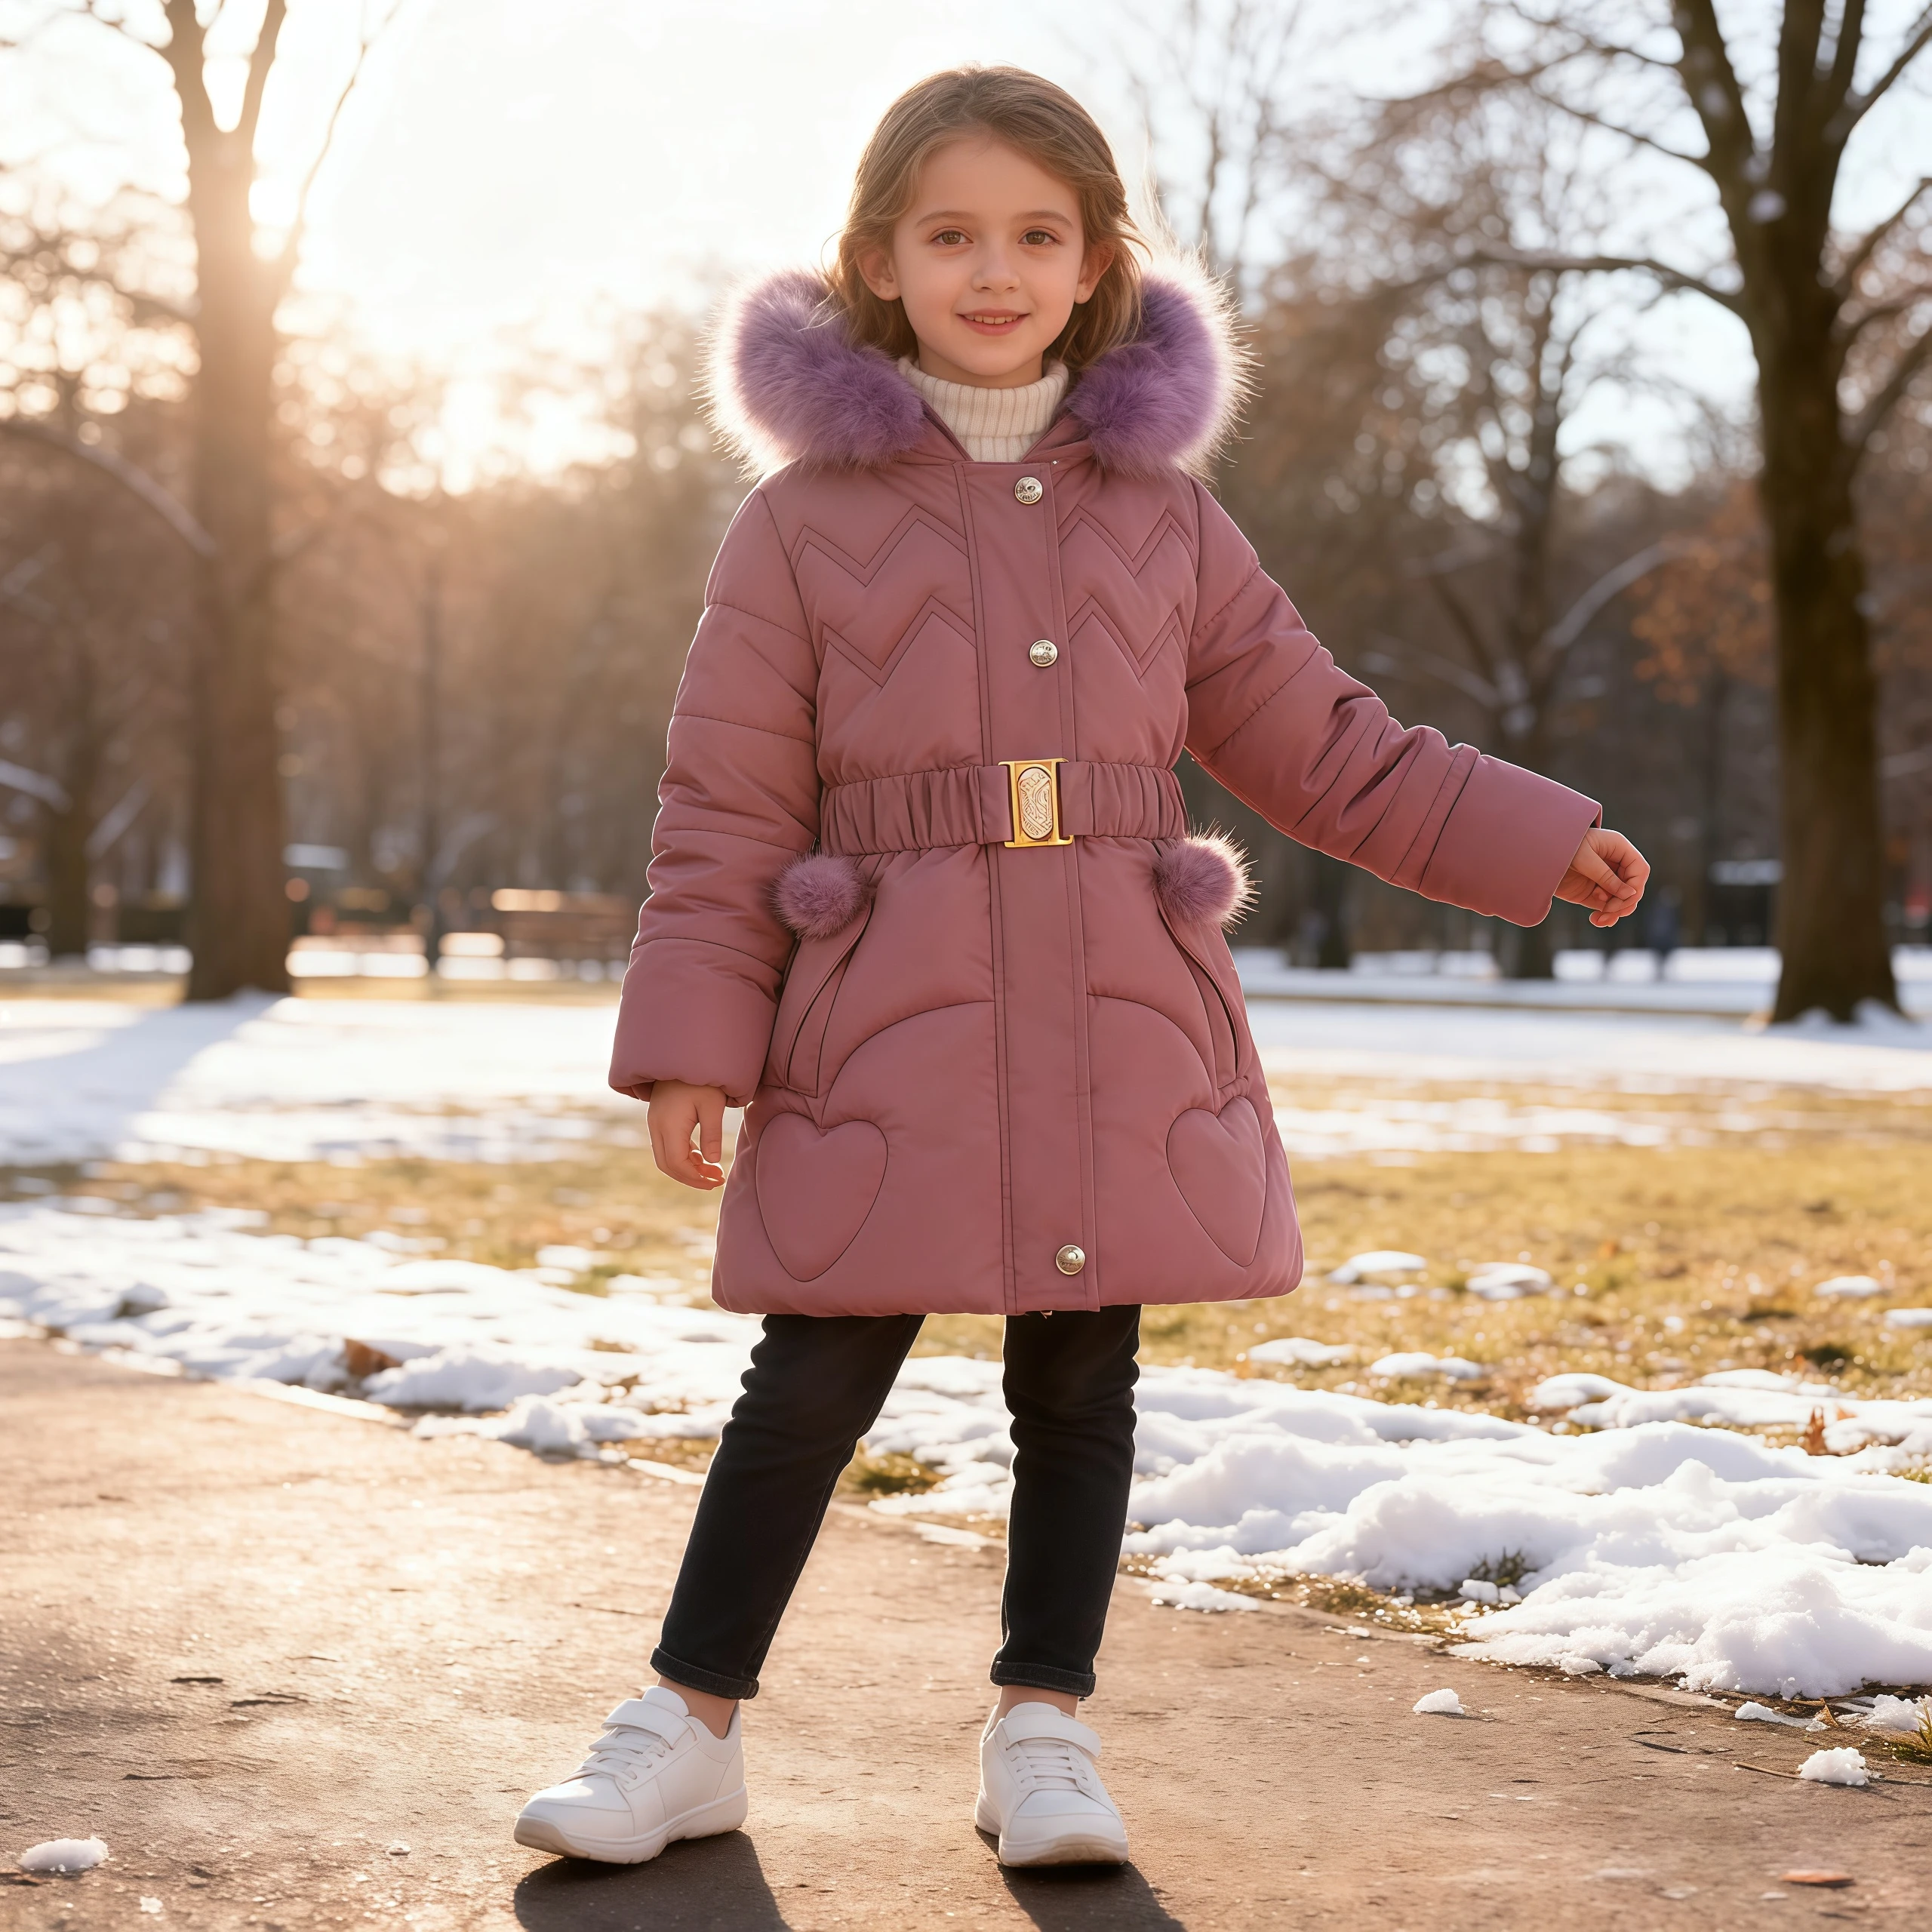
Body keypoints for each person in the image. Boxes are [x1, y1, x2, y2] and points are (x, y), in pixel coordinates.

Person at [513, 65, 1648, 1872]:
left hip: (1113, 1003)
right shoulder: (797, 525)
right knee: (811, 1370)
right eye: (949, 231)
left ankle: (1043, 1727)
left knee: (1080, 1370)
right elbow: (722, 804)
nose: (992, 268)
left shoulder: (1161, 516)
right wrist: (690, 1043)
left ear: (1095, 260)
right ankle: (686, 1725)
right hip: (880, 1015)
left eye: (1034, 233)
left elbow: (1323, 743)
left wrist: (1520, 834)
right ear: (877, 259)